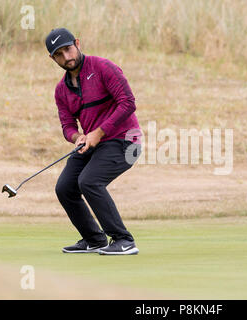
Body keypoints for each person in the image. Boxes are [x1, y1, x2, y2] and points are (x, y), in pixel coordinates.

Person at [45, 28, 142, 255]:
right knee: (65, 187)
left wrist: (98, 132)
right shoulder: (61, 90)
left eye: (68, 49)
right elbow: (67, 125)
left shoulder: (103, 67)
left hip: (125, 140)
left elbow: (128, 103)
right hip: (92, 143)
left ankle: (123, 240)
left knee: (88, 181)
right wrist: (76, 137)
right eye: (59, 54)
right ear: (52, 58)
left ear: (77, 43)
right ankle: (94, 239)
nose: (66, 57)